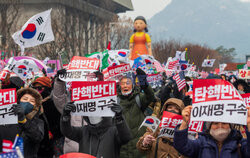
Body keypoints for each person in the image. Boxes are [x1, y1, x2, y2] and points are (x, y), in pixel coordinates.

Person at [173, 105, 250, 158]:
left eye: (224, 123)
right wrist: (184, 122)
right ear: (209, 127)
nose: (220, 126)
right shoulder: (201, 142)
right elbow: (181, 146)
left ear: (230, 126)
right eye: (215, 123)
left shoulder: (239, 142)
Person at [60, 102, 132, 157]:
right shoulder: (83, 131)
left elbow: (126, 137)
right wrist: (65, 116)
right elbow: (67, 131)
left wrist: (120, 118)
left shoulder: (113, 131)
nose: (93, 115)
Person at [118, 68, 155, 158]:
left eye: (128, 83)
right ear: (119, 86)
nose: (125, 86)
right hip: (121, 150)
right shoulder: (115, 101)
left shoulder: (139, 98)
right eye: (122, 84)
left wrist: (144, 84)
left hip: (138, 150)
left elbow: (150, 97)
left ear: (133, 85)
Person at [0, 88, 44, 158]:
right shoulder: (6, 118)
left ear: (35, 106)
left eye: (32, 101)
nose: (27, 102)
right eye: (25, 99)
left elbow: (37, 137)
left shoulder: (38, 122)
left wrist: (23, 120)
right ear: (18, 101)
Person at [32, 77, 64, 157]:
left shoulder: (53, 103)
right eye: (34, 88)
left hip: (51, 142)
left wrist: (52, 132)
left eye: (39, 88)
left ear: (47, 88)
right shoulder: (32, 103)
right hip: (37, 140)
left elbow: (60, 122)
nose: (36, 91)